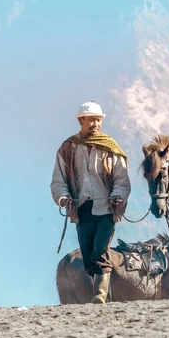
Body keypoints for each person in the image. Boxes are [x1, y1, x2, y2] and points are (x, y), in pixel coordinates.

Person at [50, 101, 131, 304]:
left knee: (100, 250)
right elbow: (58, 180)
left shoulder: (111, 148)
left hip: (107, 209)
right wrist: (63, 198)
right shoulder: (67, 148)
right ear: (81, 120)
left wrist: (119, 196)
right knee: (87, 255)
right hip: (82, 209)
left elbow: (122, 179)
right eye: (91, 120)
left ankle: (100, 295)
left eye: (98, 120)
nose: (95, 124)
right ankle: (104, 295)